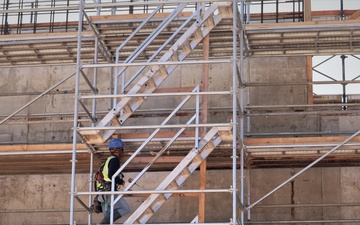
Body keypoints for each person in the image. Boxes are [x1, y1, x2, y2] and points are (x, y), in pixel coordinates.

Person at [97, 138, 130, 224]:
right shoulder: (114, 160)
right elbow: (111, 175)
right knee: (125, 209)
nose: (123, 151)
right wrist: (123, 183)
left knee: (108, 218)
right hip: (108, 192)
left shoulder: (109, 160)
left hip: (103, 192)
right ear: (118, 149)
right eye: (122, 149)